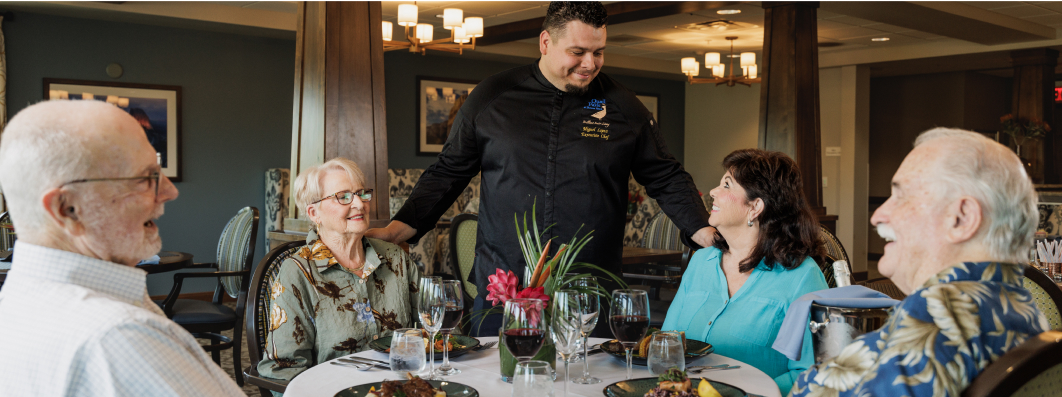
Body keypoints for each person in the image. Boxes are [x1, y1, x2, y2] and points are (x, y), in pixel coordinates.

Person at [369, 1, 714, 329]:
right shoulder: (492, 97)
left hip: (588, 291)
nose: (590, 64)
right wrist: (395, 231)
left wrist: (703, 230)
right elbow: (449, 172)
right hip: (504, 287)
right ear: (545, 42)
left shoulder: (623, 107)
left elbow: (666, 175)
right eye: (577, 52)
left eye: (598, 52)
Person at [0, 101, 243, 396]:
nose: (170, 191)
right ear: (67, 209)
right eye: (145, 178)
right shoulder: (118, 337)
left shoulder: (18, 303)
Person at [790, 128, 1049, 397]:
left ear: (961, 218)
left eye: (901, 196)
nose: (877, 215)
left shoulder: (942, 321)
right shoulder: (1019, 309)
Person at [661, 149, 828, 395]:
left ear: (755, 207)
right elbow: (666, 344)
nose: (713, 192)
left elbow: (812, 372)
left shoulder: (803, 277)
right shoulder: (701, 261)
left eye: (727, 186)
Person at [258, 158, 421, 383]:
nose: (359, 203)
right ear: (315, 213)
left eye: (361, 193)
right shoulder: (298, 273)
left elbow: (436, 334)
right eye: (343, 197)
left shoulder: (396, 259)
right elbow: (283, 369)